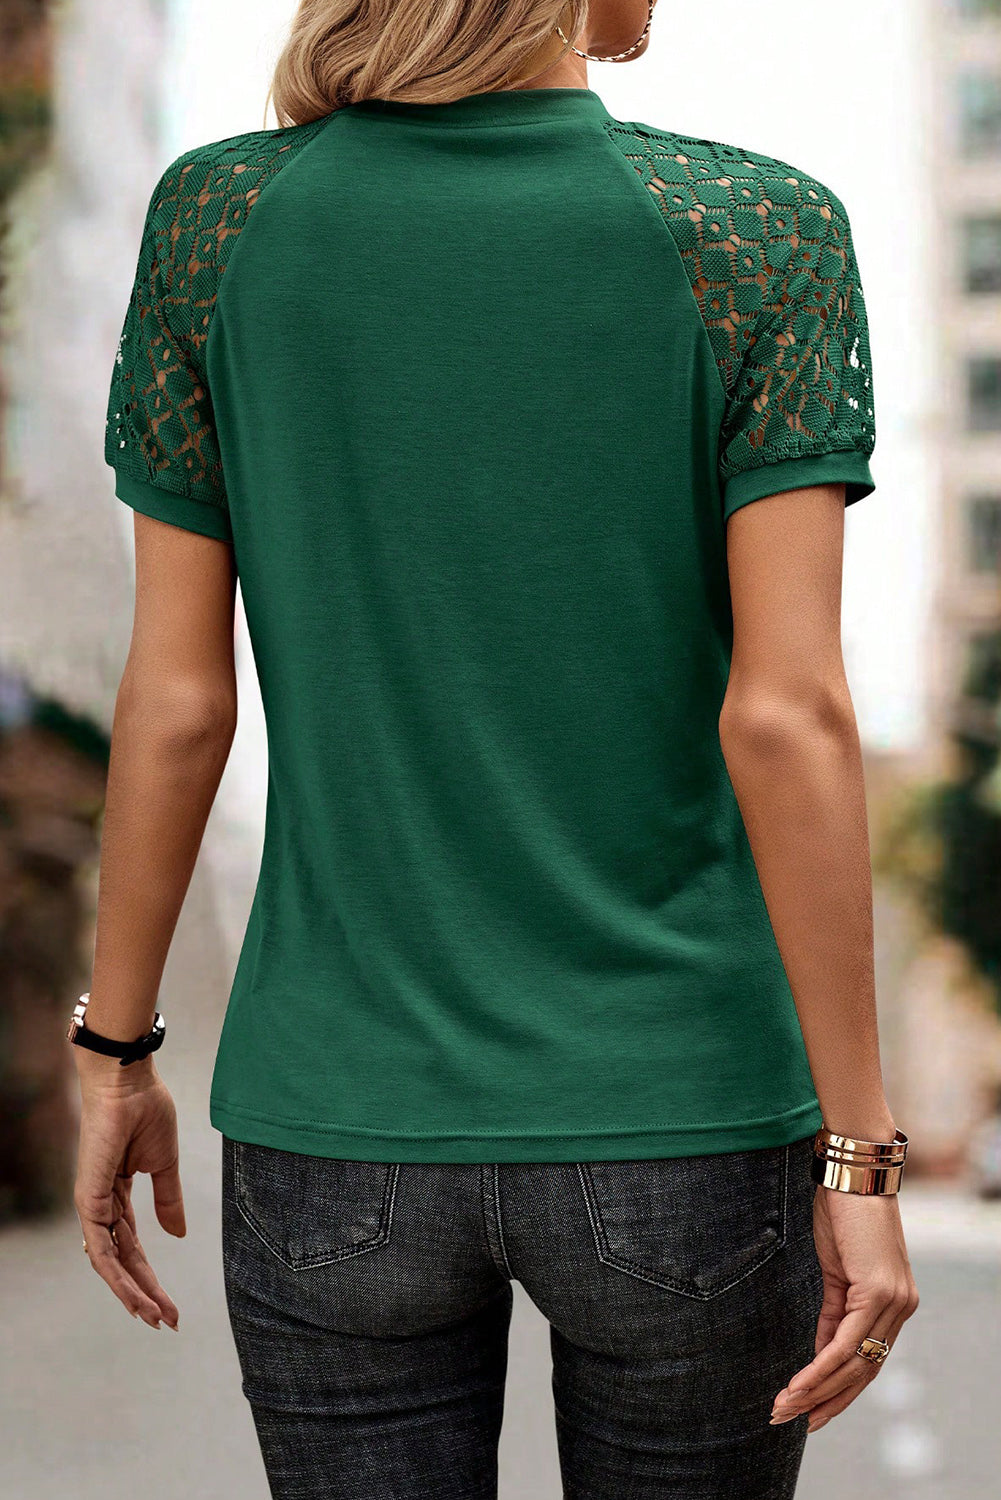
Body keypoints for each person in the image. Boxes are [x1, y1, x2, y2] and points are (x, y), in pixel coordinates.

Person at [69, 2, 920, 1495]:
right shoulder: (758, 231)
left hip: (336, 1121)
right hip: (682, 1115)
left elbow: (179, 704)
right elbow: (785, 716)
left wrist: (114, 1049)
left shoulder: (221, 221)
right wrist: (859, 1157)